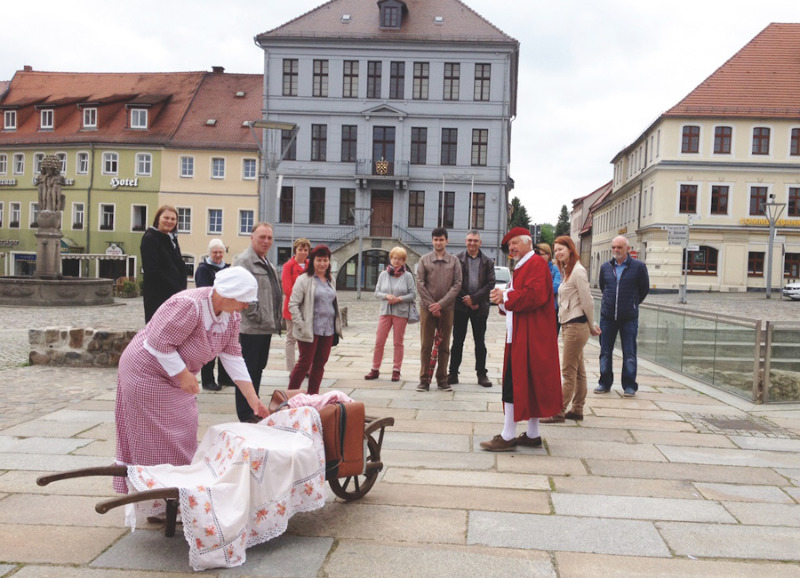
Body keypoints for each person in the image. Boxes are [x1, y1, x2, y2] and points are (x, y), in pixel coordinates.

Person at [114, 266, 269, 493]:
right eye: (243, 300)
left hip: (174, 376)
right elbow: (158, 342)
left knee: (184, 429)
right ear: (226, 294)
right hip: (145, 371)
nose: (246, 306)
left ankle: (178, 492)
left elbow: (233, 356)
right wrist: (183, 374)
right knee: (156, 435)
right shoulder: (189, 305)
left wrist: (253, 399)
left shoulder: (231, 317)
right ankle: (157, 496)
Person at [481, 227, 562, 451]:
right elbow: (528, 295)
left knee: (513, 381)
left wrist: (506, 296)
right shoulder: (526, 264)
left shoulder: (534, 264)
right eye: (509, 246)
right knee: (530, 381)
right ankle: (533, 433)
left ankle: (508, 436)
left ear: (528, 242)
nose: (512, 248)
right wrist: (504, 299)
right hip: (526, 331)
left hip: (528, 333)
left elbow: (535, 295)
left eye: (515, 243)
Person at [542, 236, 601, 423]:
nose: (558, 253)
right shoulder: (567, 269)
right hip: (570, 323)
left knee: (568, 371)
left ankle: (558, 411)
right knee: (579, 371)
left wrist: (592, 325)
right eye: (556, 250)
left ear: (570, 249)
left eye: (561, 249)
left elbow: (588, 300)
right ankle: (577, 409)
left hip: (576, 325)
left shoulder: (578, 271)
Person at [233, 222, 283, 422]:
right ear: (252, 237)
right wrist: (256, 314)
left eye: (269, 238)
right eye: (262, 237)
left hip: (264, 327)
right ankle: (245, 413)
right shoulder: (244, 262)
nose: (266, 241)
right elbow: (237, 292)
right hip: (250, 328)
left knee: (257, 369)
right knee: (247, 370)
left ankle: (254, 407)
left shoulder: (266, 263)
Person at [595, 235, 650, 397]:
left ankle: (629, 385)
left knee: (629, 353)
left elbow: (644, 289)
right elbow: (603, 287)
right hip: (607, 317)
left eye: (619, 247)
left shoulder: (638, 267)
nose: (616, 250)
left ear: (627, 249)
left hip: (629, 318)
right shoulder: (605, 267)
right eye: (614, 247)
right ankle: (604, 383)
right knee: (605, 351)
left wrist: (632, 303)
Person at [287, 244, 343, 395]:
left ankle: (313, 396)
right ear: (312, 261)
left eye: (325, 260)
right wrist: (301, 324)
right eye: (319, 260)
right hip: (309, 329)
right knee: (304, 364)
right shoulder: (304, 279)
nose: (322, 264)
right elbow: (293, 304)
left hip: (327, 329)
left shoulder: (331, 279)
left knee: (319, 365)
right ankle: (290, 396)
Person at [415, 227, 462, 392]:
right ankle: (424, 379)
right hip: (427, 309)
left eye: (441, 239)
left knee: (444, 346)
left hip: (447, 308)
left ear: (447, 241)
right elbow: (420, 284)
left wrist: (441, 304)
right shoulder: (424, 260)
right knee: (426, 345)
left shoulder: (454, 261)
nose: (438, 242)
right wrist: (431, 305)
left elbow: (457, 285)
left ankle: (442, 379)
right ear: (432, 241)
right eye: (435, 239)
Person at [448, 230, 495, 387]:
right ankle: (453, 373)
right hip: (461, 306)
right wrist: (466, 299)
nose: (472, 243)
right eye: (469, 240)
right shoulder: (457, 260)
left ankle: (481, 374)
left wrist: (474, 299)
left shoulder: (488, 261)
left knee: (480, 342)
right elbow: (454, 281)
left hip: (480, 307)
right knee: (457, 341)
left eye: (475, 240)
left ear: (480, 243)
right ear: (465, 241)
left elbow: (490, 284)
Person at [365, 246, 417, 382]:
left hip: (401, 313)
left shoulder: (408, 276)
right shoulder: (383, 274)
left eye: (400, 259)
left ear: (404, 261)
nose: (396, 261)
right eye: (394, 258)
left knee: (398, 342)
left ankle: (396, 370)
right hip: (385, 311)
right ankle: (375, 369)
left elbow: (413, 294)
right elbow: (376, 293)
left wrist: (399, 299)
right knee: (379, 341)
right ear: (390, 259)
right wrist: (387, 296)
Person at [194, 238, 234, 391]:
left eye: (220, 252)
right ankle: (207, 380)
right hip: (209, 313)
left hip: (224, 313)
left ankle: (224, 378)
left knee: (224, 346)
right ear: (209, 252)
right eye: (215, 252)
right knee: (209, 347)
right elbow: (204, 291)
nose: (218, 255)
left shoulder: (226, 268)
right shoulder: (204, 269)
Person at [140, 205, 187, 322]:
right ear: (158, 219)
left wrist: (182, 288)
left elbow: (179, 265)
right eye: (166, 218)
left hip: (175, 295)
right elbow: (153, 271)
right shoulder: (150, 238)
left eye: (173, 219)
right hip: (158, 296)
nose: (169, 221)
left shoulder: (171, 239)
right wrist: (175, 288)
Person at [281, 238, 310, 372]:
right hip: (292, 307)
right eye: (300, 249)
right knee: (291, 338)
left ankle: (307, 368)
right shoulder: (288, 266)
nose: (303, 252)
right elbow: (287, 289)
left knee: (308, 339)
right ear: (295, 250)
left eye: (305, 250)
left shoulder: (310, 265)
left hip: (308, 308)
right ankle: (291, 369)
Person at [537, 242, 562, 335]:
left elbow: (556, 287)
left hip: (552, 308)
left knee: (551, 337)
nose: (538, 256)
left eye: (541, 254)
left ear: (548, 255)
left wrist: (539, 289)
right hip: (538, 308)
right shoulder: (535, 268)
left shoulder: (554, 269)